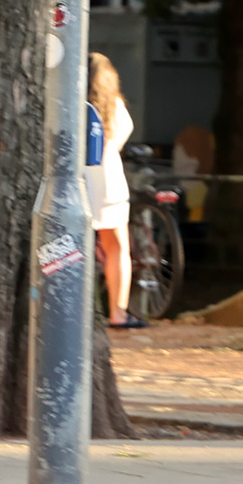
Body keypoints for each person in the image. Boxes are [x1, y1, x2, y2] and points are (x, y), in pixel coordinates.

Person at [88, 52, 139, 328]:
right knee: (117, 247)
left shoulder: (72, 103)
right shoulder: (113, 106)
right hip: (108, 179)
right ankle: (118, 313)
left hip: (79, 179)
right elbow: (124, 131)